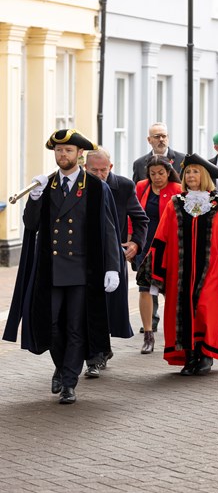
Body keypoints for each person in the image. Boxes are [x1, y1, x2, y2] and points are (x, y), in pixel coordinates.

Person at [3, 129, 122, 404]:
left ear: (80, 154)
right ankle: (61, 365)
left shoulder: (95, 186)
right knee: (52, 324)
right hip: (52, 268)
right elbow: (31, 225)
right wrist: (34, 199)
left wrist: (112, 267)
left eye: (68, 150)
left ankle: (69, 382)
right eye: (58, 151)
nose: (63, 155)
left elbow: (108, 229)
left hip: (82, 269)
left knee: (76, 327)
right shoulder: (45, 185)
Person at [137, 153, 218, 375]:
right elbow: (162, 237)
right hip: (181, 270)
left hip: (212, 269)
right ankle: (190, 355)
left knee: (205, 307)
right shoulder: (176, 203)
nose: (191, 175)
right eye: (187, 172)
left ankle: (205, 354)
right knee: (183, 311)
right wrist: (156, 269)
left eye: (195, 171)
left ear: (204, 175)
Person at [83, 147, 149, 378]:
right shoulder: (79, 187)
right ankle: (95, 355)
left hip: (112, 255)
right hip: (83, 256)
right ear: (85, 168)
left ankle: (100, 351)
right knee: (86, 307)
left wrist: (135, 245)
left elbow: (141, 220)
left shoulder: (123, 186)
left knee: (108, 307)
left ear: (110, 168)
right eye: (94, 170)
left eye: (103, 170)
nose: (99, 175)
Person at [133, 122, 185, 332]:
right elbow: (134, 202)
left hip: (172, 237)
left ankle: (175, 324)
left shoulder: (181, 159)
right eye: (156, 136)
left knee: (170, 284)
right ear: (149, 140)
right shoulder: (139, 164)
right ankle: (150, 324)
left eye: (164, 136)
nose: (161, 139)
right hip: (146, 235)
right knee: (146, 282)